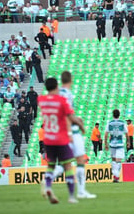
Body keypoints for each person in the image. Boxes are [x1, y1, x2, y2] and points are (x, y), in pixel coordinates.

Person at [38, 77, 79, 204]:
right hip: (61, 138)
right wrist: (77, 127)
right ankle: (71, 196)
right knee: (68, 166)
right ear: (56, 87)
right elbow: (69, 116)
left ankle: (49, 186)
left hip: (48, 138)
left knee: (51, 165)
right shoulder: (61, 100)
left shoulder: (41, 100)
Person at [59, 71, 95, 199]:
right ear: (71, 80)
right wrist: (78, 124)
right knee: (80, 160)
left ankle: (51, 175)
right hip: (72, 132)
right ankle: (81, 191)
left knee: (69, 161)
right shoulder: (67, 94)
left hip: (63, 130)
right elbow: (67, 114)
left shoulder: (58, 93)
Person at [104, 109, 129, 183]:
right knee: (118, 161)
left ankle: (115, 175)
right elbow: (126, 133)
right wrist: (128, 142)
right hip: (120, 143)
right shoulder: (122, 123)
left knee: (114, 160)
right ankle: (116, 176)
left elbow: (106, 134)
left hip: (112, 144)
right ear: (119, 115)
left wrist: (105, 144)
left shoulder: (110, 123)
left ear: (113, 115)